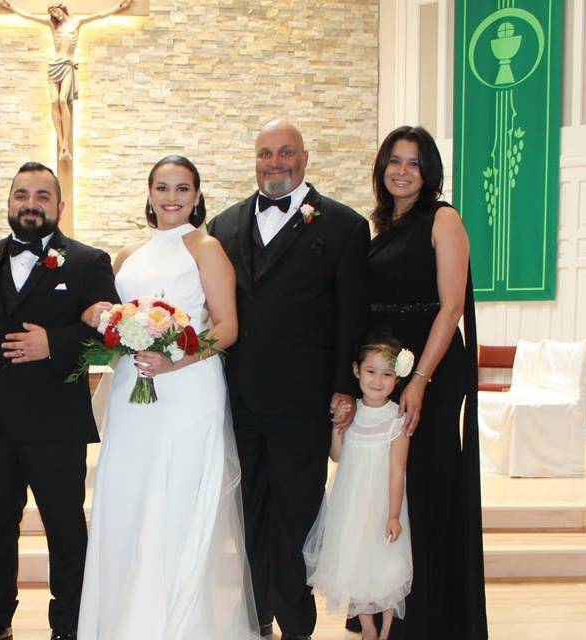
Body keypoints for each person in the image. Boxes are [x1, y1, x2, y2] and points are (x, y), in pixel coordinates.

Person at [76, 155, 260, 639]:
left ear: (197, 196)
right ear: (149, 193)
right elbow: (108, 315)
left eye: (182, 188)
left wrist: (172, 361)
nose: (171, 197)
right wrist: (102, 316)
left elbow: (227, 328)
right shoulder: (127, 255)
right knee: (129, 499)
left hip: (188, 390)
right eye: (162, 187)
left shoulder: (206, 247)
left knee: (175, 501)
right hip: (133, 395)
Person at [208, 118, 370, 639]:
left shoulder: (343, 225)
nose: (274, 163)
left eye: (284, 153)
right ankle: (254, 615)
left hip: (303, 400)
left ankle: (297, 622)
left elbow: (352, 313)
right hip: (238, 396)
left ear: (304, 158)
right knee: (246, 509)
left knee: (297, 509)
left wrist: (344, 388)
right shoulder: (224, 226)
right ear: (254, 160)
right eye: (264, 154)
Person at [0, 162, 118, 640]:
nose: (30, 204)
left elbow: (111, 335)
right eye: (21, 195)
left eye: (42, 196)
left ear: (59, 205)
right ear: (9, 202)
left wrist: (55, 343)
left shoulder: (88, 261)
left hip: (56, 424)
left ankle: (68, 626)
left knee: (66, 532)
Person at [363, 125, 487, 639]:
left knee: (425, 483)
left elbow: (451, 305)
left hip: (430, 368)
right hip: (389, 368)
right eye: (394, 160)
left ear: (428, 171)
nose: (402, 170)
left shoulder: (443, 218)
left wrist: (420, 379)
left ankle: (430, 616)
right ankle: (389, 605)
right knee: (388, 487)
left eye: (414, 162)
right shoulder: (380, 226)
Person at [303, 333, 414, 640]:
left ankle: (389, 629)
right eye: (371, 371)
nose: (378, 381)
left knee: (385, 565)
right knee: (354, 561)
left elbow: (397, 471)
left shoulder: (397, 419)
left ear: (397, 378)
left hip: (382, 504)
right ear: (356, 371)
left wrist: (393, 514)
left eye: (387, 374)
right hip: (350, 502)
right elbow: (337, 456)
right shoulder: (350, 411)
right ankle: (367, 627)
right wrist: (338, 428)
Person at [0, 0, 132, 160]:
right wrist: (10, 7)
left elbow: (99, 16)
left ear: (62, 9)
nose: (56, 15)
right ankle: (62, 145)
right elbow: (29, 16)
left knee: (63, 101)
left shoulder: (77, 22)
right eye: (52, 13)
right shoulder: (53, 26)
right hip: (54, 65)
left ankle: (65, 144)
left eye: (56, 11)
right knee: (54, 102)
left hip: (67, 65)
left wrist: (119, 7)